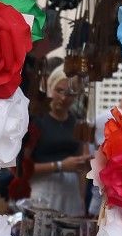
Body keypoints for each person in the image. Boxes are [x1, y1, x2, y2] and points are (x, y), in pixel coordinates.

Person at [26, 67, 89, 215]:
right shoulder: (36, 120)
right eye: (59, 91)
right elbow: (23, 168)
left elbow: (82, 168)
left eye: (70, 94)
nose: (64, 98)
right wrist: (60, 166)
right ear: (50, 88)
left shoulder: (77, 123)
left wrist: (82, 199)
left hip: (70, 193)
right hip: (42, 190)